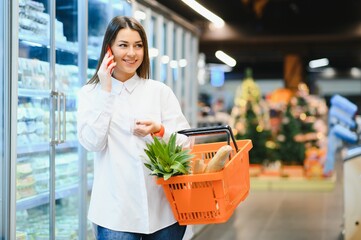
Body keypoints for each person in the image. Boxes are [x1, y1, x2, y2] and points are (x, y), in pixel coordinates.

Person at [77, 16, 193, 240]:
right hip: (115, 213)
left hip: (163, 210)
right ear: (108, 49)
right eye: (123, 45)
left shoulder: (159, 91)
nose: (132, 53)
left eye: (138, 46)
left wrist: (159, 130)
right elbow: (93, 142)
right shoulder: (91, 94)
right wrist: (107, 92)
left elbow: (185, 142)